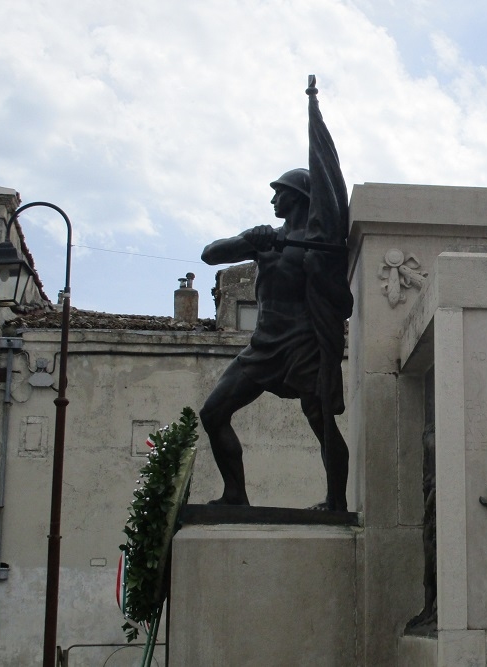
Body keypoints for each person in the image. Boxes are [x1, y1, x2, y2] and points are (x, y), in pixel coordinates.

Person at [200, 77, 352, 510]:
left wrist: (314, 265)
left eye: (279, 195)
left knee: (321, 424)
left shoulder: (318, 246)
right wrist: (251, 238)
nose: (272, 201)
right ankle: (235, 495)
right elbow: (210, 254)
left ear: (299, 198)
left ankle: (335, 503)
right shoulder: (269, 238)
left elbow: (339, 299)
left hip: (303, 344)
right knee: (213, 414)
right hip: (264, 344)